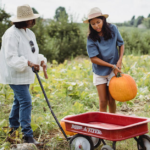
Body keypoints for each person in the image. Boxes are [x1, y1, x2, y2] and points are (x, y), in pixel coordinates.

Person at [0, 4, 48, 144]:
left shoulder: (29, 33)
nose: (33, 21)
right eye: (30, 19)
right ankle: (27, 135)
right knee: (26, 101)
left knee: (18, 102)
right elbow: (11, 58)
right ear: (24, 20)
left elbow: (32, 53)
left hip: (25, 75)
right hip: (15, 75)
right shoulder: (11, 34)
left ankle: (12, 130)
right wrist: (28, 63)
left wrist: (41, 61)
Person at [83, 7, 124, 113]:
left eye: (98, 22)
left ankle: (112, 124)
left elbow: (121, 44)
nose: (96, 26)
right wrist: (111, 66)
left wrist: (119, 61)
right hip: (99, 71)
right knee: (102, 101)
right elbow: (93, 59)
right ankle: (103, 127)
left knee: (111, 100)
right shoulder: (91, 37)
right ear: (90, 25)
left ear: (103, 20)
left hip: (113, 70)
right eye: (93, 24)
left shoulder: (113, 29)